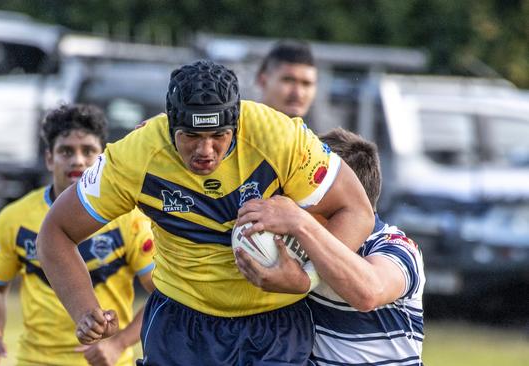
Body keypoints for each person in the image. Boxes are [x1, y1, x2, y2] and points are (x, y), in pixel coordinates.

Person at [36, 60, 374, 366]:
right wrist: (83, 309)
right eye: (191, 136)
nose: (205, 151)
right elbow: (56, 232)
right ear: (170, 126)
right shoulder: (135, 156)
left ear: (236, 125)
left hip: (276, 324)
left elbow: (356, 210)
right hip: (182, 323)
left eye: (218, 136)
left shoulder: (279, 137)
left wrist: (307, 277)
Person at [0, 104, 155, 366]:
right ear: (49, 158)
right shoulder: (15, 217)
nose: (77, 160)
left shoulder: (130, 219)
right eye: (66, 151)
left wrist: (118, 343)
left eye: (88, 151)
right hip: (36, 360)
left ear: (103, 156)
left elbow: (162, 293)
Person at [235, 127, 425, 365]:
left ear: (335, 198)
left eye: (305, 192)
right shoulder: (297, 247)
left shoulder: (395, 247)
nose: (296, 202)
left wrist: (300, 222)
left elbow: (368, 292)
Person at [256, 40, 317, 119]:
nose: (298, 93)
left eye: (306, 84)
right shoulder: (239, 128)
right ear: (263, 81)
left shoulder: (312, 131)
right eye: (288, 81)